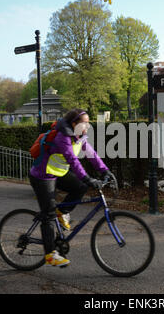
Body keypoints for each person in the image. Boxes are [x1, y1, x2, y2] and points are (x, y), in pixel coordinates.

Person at [29, 109, 113, 267]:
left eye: (88, 123)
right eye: (84, 123)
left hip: (58, 173)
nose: (87, 126)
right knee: (48, 215)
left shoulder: (79, 136)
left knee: (80, 187)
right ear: (74, 124)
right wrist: (88, 178)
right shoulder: (63, 137)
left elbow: (91, 154)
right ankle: (50, 254)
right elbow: (73, 161)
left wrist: (105, 170)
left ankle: (62, 212)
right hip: (42, 175)